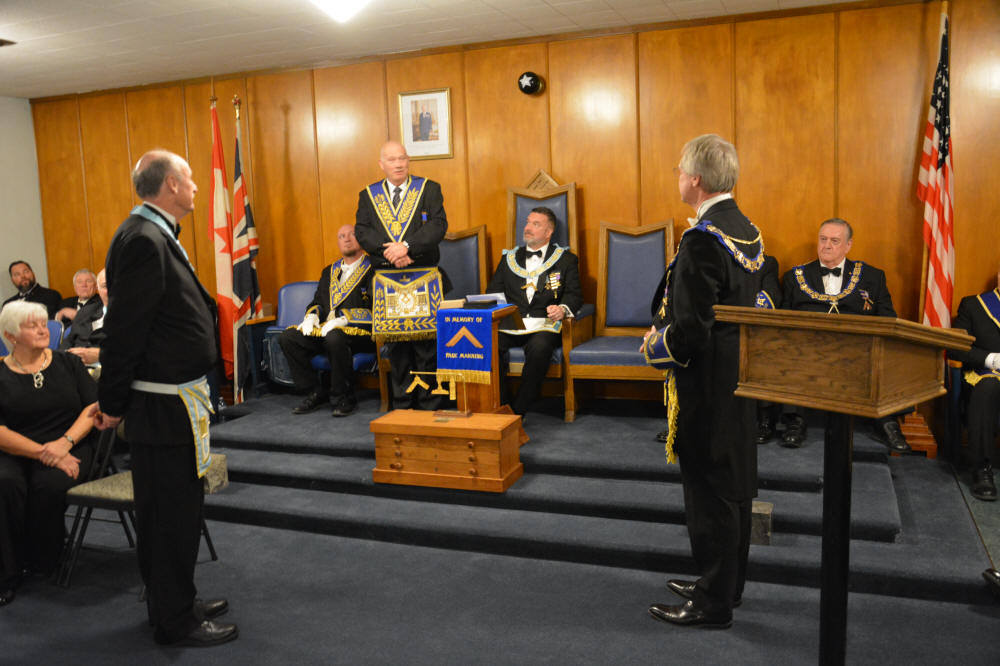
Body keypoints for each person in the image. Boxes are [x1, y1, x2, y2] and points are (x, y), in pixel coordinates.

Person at [91, 149, 237, 647]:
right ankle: (175, 622)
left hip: (177, 402)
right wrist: (112, 403)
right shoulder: (141, 239)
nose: (195, 186)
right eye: (189, 179)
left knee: (180, 512)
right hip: (160, 407)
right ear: (171, 185)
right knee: (169, 517)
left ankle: (177, 600)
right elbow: (124, 332)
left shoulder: (155, 234)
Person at [642, 134, 764, 629]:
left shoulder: (702, 238)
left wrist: (656, 344)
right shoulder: (745, 227)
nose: (677, 176)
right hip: (738, 374)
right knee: (733, 488)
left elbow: (691, 329)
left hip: (706, 383)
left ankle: (713, 604)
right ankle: (726, 585)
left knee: (710, 492)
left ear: (695, 179)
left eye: (679, 170)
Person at [779, 218, 908, 452]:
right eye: (823, 239)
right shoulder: (794, 277)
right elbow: (782, 321)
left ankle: (886, 422)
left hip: (859, 349)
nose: (827, 245)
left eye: (835, 241)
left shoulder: (872, 277)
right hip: (808, 348)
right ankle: (795, 422)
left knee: (891, 355)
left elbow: (888, 319)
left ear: (848, 245)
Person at [0, 301, 97, 606]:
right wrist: (44, 451)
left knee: (48, 484)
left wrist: (64, 443)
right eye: (33, 326)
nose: (44, 330)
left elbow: (93, 408)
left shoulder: (68, 363)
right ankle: (8, 571)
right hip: (16, 449)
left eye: (44, 323)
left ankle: (42, 557)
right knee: (4, 483)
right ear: (10, 335)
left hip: (72, 445)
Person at [355, 140, 448, 410]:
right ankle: (403, 408)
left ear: (409, 161)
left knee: (426, 348)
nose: (398, 164)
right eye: (392, 160)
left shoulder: (429, 188)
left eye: (403, 158)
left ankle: (430, 406)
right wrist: (391, 252)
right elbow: (362, 231)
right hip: (388, 281)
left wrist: (407, 247)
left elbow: (438, 225)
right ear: (381, 164)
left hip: (423, 277)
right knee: (398, 350)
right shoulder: (368, 195)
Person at [485, 206, 582, 417]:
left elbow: (574, 295)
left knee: (539, 349)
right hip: (512, 323)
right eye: (528, 222)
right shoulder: (509, 259)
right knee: (489, 346)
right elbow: (492, 292)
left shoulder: (566, 260)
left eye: (536, 224)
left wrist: (562, 309)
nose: (528, 227)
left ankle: (518, 411)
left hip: (545, 324)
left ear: (549, 232)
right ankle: (501, 406)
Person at [278, 224, 375, 417]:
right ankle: (315, 391)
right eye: (341, 236)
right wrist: (312, 315)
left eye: (351, 234)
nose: (346, 239)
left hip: (361, 331)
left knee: (334, 337)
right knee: (288, 337)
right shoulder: (328, 271)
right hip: (327, 330)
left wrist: (345, 320)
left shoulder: (374, 268)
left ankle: (343, 396)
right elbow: (318, 302)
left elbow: (377, 307)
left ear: (361, 238)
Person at [949, 265, 1000, 501]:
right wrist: (992, 359)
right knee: (988, 387)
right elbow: (956, 348)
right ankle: (982, 469)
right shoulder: (974, 305)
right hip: (985, 374)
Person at [60, 269, 108, 357]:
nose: (84, 285)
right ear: (98, 288)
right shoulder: (85, 311)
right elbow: (69, 341)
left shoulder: (129, 314)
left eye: (88, 281)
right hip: (76, 360)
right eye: (105, 286)